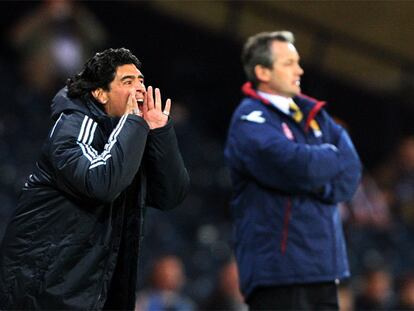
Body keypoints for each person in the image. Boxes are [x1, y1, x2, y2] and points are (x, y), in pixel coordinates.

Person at [0, 48, 189, 310]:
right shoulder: (74, 124)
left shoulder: (131, 135)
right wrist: (134, 123)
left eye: (141, 81)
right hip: (40, 294)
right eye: (128, 81)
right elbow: (101, 182)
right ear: (100, 93)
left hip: (89, 295)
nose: (140, 89)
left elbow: (170, 195)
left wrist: (160, 133)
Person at [224, 31, 362, 310]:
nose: (299, 70)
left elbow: (350, 172)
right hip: (278, 270)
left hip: (324, 267)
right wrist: (318, 169)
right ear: (262, 71)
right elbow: (294, 165)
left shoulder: (316, 115)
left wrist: (313, 176)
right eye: (288, 63)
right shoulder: (250, 120)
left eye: (297, 62)